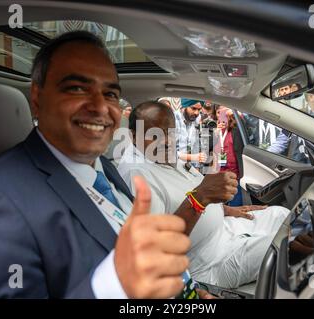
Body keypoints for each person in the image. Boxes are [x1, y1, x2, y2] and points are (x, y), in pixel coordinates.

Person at [0, 31, 192, 298]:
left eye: (110, 94)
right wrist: (114, 286)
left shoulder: (104, 169)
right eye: (76, 88)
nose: (99, 106)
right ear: (37, 99)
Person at [118, 101, 290, 288]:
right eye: (154, 135)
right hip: (209, 262)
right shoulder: (136, 175)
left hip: (226, 229)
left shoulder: (161, 154)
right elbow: (158, 248)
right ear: (134, 137)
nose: (166, 140)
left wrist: (225, 210)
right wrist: (199, 198)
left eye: (170, 133)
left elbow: (186, 190)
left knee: (282, 215)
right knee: (286, 246)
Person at [214, 105, 247, 206]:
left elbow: (249, 123)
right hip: (220, 176)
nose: (221, 114)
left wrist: (239, 114)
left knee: (235, 206)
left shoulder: (237, 127)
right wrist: (215, 133)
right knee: (219, 207)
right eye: (218, 112)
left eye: (224, 111)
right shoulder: (215, 130)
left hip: (235, 177)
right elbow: (205, 147)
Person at [174, 98, 207, 168]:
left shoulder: (195, 120)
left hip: (188, 168)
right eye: (193, 108)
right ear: (184, 106)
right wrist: (191, 157)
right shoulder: (173, 120)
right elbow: (166, 152)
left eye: (199, 109)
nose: (196, 113)